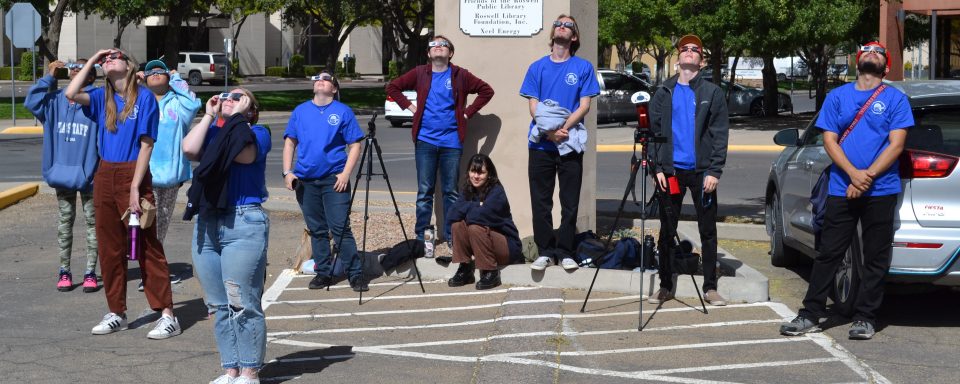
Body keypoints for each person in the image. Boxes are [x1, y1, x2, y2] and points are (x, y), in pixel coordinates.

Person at [780, 41, 912, 340]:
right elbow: (830, 141)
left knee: (875, 256)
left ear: (886, 66)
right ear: (857, 60)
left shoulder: (896, 99)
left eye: (878, 51)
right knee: (829, 253)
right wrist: (853, 175)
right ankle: (810, 314)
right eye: (866, 49)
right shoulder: (838, 96)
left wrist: (868, 178)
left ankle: (865, 317)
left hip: (882, 189)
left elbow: (897, 144)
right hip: (841, 187)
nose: (872, 53)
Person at [64, 48, 181, 339]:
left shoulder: (143, 98)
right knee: (109, 246)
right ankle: (117, 311)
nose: (108, 60)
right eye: (105, 59)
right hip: (105, 172)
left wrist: (134, 188)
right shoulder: (101, 97)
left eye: (114, 56)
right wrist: (92, 59)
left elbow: (146, 145)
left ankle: (167, 314)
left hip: (134, 173)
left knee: (146, 245)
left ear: (130, 66)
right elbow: (70, 92)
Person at [182, 88, 271, 384]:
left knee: (242, 301)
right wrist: (209, 114)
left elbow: (244, 157)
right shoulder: (214, 133)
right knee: (218, 304)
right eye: (225, 96)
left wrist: (236, 116)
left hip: (243, 222)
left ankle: (249, 371)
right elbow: (189, 150)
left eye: (237, 97)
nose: (228, 99)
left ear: (250, 109)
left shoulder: (258, 132)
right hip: (208, 222)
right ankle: (230, 369)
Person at [385, 35, 494, 246]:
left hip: (451, 141)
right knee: (424, 191)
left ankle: (452, 236)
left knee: (450, 191)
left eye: (443, 45)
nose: (438, 47)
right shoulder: (420, 73)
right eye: (433, 45)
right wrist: (412, 109)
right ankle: (421, 238)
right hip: (425, 140)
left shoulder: (460, 75)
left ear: (450, 53)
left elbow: (486, 91)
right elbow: (392, 88)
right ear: (428, 53)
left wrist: (467, 113)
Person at [647, 34, 730, 307]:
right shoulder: (663, 92)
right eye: (685, 48)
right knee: (667, 230)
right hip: (670, 172)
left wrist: (714, 171)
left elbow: (719, 134)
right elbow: (654, 133)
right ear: (678, 58)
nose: (689, 52)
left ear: (701, 61)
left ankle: (710, 287)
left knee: (707, 230)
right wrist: (657, 168)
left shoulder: (712, 93)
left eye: (695, 50)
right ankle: (665, 286)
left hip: (701, 173)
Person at [519, 14, 600, 271]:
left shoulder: (583, 67)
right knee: (541, 202)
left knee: (569, 201)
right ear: (553, 33)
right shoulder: (536, 67)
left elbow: (585, 106)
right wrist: (550, 133)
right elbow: (533, 106)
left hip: (570, 145)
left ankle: (565, 251)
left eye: (568, 26)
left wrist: (562, 129)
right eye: (559, 24)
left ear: (574, 36)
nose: (562, 27)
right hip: (542, 144)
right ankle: (545, 251)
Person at [283, 71, 368, 292]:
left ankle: (355, 273)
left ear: (334, 89)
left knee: (339, 227)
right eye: (316, 80)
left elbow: (355, 145)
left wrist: (346, 173)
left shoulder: (343, 111)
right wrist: (287, 172)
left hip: (334, 179)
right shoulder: (300, 111)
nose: (320, 81)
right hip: (305, 181)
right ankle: (323, 272)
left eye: (326, 80)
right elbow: (290, 143)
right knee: (317, 229)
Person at [25, 59, 99, 293]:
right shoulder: (55, 99)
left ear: (90, 75)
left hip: (90, 175)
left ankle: (90, 272)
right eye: (73, 67)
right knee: (65, 222)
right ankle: (64, 270)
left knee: (93, 223)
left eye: (82, 67)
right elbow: (31, 102)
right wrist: (49, 77)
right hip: (61, 173)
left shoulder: (96, 99)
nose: (76, 69)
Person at [139, 59, 201, 291]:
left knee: (159, 226)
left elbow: (192, 103)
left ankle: (154, 272)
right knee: (141, 225)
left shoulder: (177, 104)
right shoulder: (140, 101)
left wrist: (176, 77)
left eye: (160, 71)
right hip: (141, 174)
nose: (155, 74)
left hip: (169, 178)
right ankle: (151, 270)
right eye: (150, 72)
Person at [446, 154, 523, 290]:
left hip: (507, 246)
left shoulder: (497, 192)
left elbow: (479, 217)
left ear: (489, 174)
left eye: (481, 172)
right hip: (483, 244)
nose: (476, 176)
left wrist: (467, 209)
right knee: (457, 225)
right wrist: (476, 206)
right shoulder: (468, 190)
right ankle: (465, 268)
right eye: (473, 171)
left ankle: (491, 272)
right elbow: (452, 214)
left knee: (475, 227)